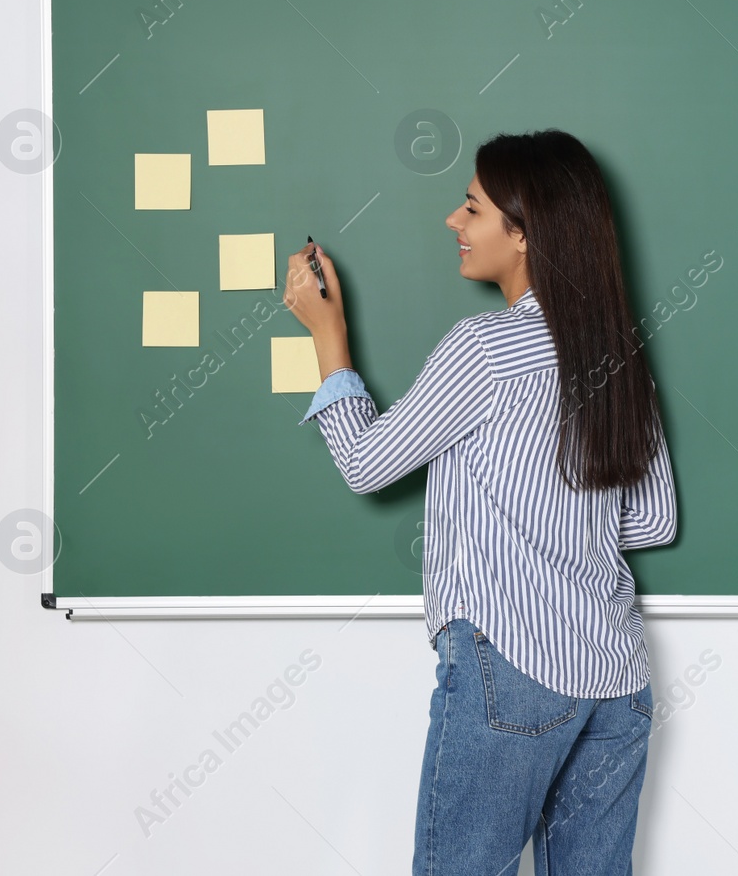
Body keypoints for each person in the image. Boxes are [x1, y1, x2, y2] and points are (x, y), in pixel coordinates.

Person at [282, 128, 677, 875]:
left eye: (472, 208)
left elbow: (367, 463)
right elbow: (653, 518)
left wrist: (327, 336)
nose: (453, 223)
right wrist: (561, 514)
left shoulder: (484, 348)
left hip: (513, 671)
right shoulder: (619, 356)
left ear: (523, 234)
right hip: (617, 680)